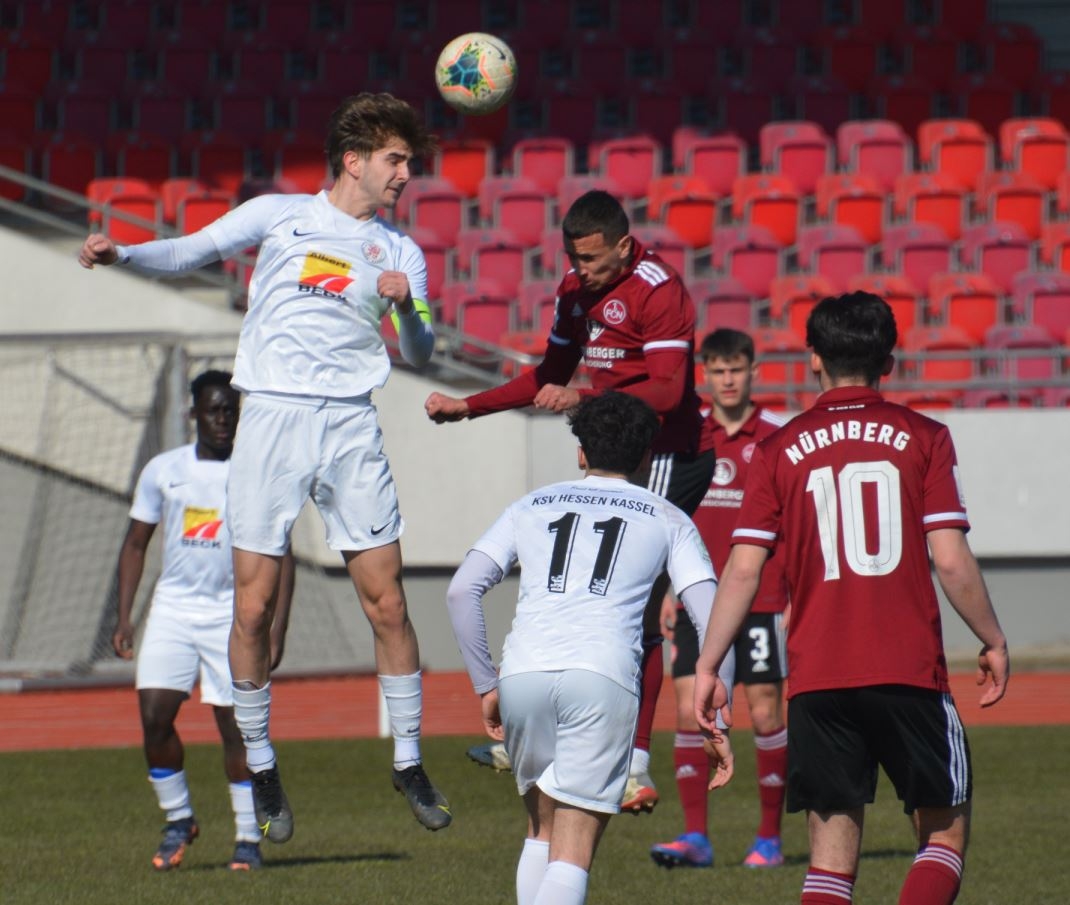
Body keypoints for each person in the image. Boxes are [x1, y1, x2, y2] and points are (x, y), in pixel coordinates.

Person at [80, 92, 452, 840]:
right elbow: (190, 250)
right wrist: (123, 252)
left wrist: (408, 307)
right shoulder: (276, 213)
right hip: (273, 419)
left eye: (408, 162)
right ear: (353, 159)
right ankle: (261, 758)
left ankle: (408, 760)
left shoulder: (400, 251)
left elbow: (421, 353)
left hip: (351, 424)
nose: (406, 174)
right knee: (250, 606)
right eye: (395, 159)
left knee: (388, 603)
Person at [695, 292, 1010, 905]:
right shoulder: (926, 437)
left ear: (813, 359)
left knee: (829, 864)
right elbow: (949, 559)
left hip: (817, 678)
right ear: (888, 362)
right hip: (908, 671)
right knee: (942, 836)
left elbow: (741, 571)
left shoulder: (776, 449)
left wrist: (710, 665)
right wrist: (992, 638)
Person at [427, 189, 716, 811]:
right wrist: (467, 407)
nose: (580, 270)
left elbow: (668, 391)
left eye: (591, 259)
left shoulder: (658, 289)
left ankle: (635, 765)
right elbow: (548, 374)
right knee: (586, 595)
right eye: (572, 257)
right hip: (616, 451)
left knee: (636, 614)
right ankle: (543, 727)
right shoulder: (573, 291)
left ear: (622, 244)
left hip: (667, 455)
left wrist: (584, 400)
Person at [446, 392, 733, 905]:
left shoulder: (530, 503)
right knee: (572, 850)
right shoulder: (669, 517)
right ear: (648, 457)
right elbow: (712, 616)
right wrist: (717, 707)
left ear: (581, 451)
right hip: (601, 677)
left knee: (540, 832)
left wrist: (487, 684)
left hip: (522, 673)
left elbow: (460, 590)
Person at [114, 369, 294, 872]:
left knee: (235, 727)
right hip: (172, 609)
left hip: (232, 616)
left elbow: (285, 555)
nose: (223, 419)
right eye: (213, 410)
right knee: (154, 717)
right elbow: (135, 544)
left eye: (230, 410)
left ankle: (246, 839)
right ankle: (178, 819)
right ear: (194, 413)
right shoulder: (163, 470)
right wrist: (124, 616)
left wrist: (275, 628)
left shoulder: (256, 472)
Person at [651, 328, 791, 871]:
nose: (728, 379)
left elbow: (797, 524)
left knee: (762, 711)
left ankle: (769, 840)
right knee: (690, 712)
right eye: (718, 370)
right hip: (695, 599)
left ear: (753, 371)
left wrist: (795, 596)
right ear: (705, 375)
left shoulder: (777, 435)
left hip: (762, 596)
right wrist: (666, 587)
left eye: (737, 368)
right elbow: (668, 520)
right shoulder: (687, 436)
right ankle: (695, 838)